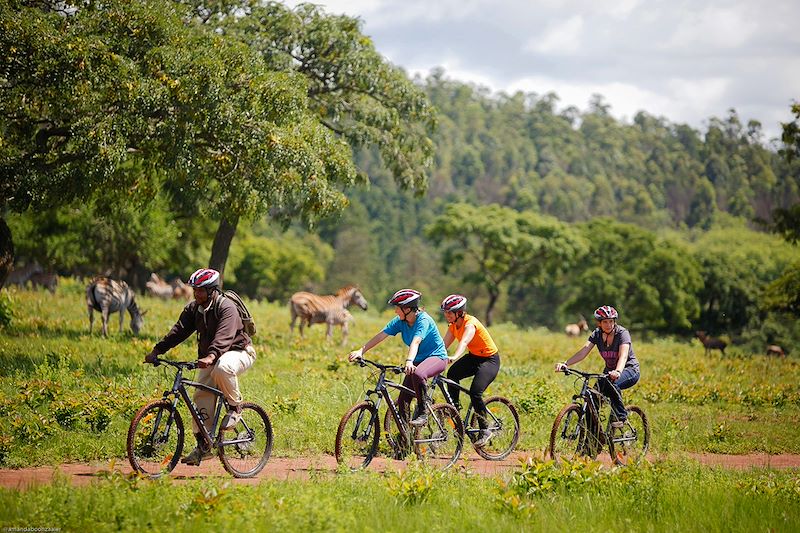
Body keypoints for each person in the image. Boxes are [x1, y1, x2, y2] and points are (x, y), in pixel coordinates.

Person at [144, 268, 256, 465]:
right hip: (210, 357)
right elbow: (178, 332)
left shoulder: (226, 307)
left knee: (223, 367)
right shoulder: (193, 308)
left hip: (239, 352)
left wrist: (212, 355)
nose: (197, 294)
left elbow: (225, 335)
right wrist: (157, 351)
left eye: (202, 290)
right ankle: (204, 447)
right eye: (195, 289)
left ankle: (235, 407)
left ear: (213, 290)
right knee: (200, 399)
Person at [348, 288, 448, 426]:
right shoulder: (400, 321)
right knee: (403, 401)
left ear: (407, 309)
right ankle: (405, 441)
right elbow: (381, 335)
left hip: (437, 357)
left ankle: (423, 412)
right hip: (417, 360)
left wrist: (409, 361)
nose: (395, 311)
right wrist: (361, 351)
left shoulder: (423, 320)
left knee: (419, 374)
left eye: (397, 308)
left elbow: (416, 341)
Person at [555, 305, 640, 428]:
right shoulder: (597, 334)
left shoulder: (622, 333)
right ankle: (592, 443)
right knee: (592, 400)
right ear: (599, 323)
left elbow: (623, 356)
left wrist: (617, 371)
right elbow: (583, 351)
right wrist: (565, 363)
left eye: (611, 321)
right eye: (605, 322)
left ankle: (622, 416)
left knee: (612, 384)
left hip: (629, 370)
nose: (608, 324)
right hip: (609, 373)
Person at [440, 294, 500, 448]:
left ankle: (485, 429)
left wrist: (454, 356)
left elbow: (465, 341)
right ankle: (456, 410)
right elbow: (441, 346)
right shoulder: (453, 326)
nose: (446, 315)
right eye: (445, 312)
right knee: (452, 374)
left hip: (489, 360)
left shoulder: (470, 324)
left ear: (459, 312)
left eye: (449, 312)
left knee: (475, 392)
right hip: (474, 357)